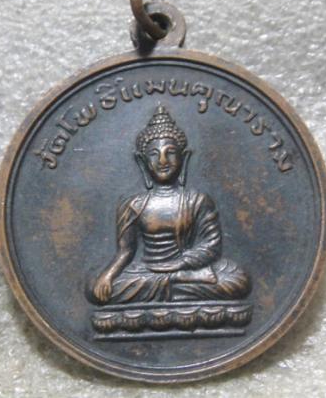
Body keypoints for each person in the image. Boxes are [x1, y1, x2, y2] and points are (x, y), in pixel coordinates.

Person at [90, 105, 250, 305]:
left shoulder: (198, 200)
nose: (163, 161)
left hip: (187, 269)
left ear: (184, 157)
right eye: (154, 154)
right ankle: (176, 287)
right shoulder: (134, 205)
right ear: (142, 161)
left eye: (171, 152)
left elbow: (211, 245)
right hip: (149, 272)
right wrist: (108, 275)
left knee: (237, 279)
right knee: (97, 288)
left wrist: (180, 263)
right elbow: (126, 251)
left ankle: (172, 286)